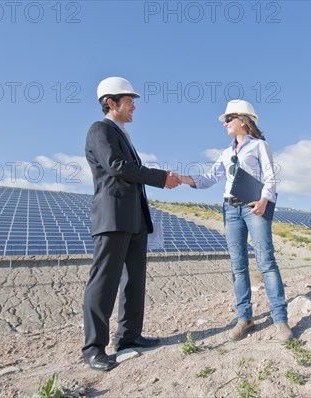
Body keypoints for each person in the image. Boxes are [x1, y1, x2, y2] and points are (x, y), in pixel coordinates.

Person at [82, 77, 180, 371]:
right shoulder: (100, 130)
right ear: (111, 103)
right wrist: (162, 177)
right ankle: (93, 348)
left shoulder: (121, 134)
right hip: (112, 218)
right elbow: (117, 167)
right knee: (104, 282)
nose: (134, 106)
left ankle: (129, 337)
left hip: (134, 220)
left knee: (133, 281)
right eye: (129, 101)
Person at [180, 99, 293, 344]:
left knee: (265, 261)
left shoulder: (260, 146)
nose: (225, 124)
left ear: (244, 120)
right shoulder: (226, 153)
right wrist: (182, 179)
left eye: (229, 119)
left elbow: (271, 176)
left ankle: (280, 320)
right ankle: (245, 319)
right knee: (238, 265)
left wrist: (264, 200)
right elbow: (209, 179)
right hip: (230, 210)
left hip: (255, 207)